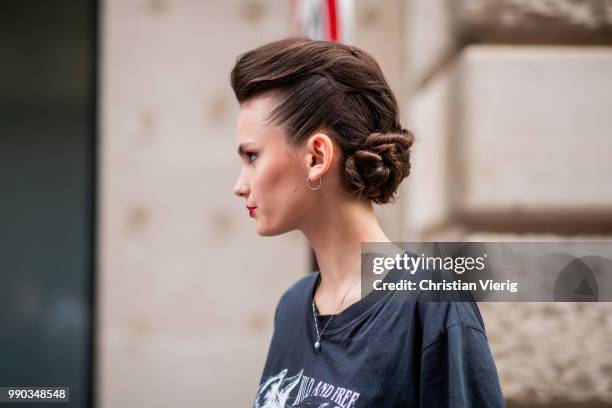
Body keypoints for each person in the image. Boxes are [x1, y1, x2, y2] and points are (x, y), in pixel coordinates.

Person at [231, 37, 505, 407]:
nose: (239, 185)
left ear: (316, 157)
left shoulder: (432, 304)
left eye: (252, 156)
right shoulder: (293, 307)